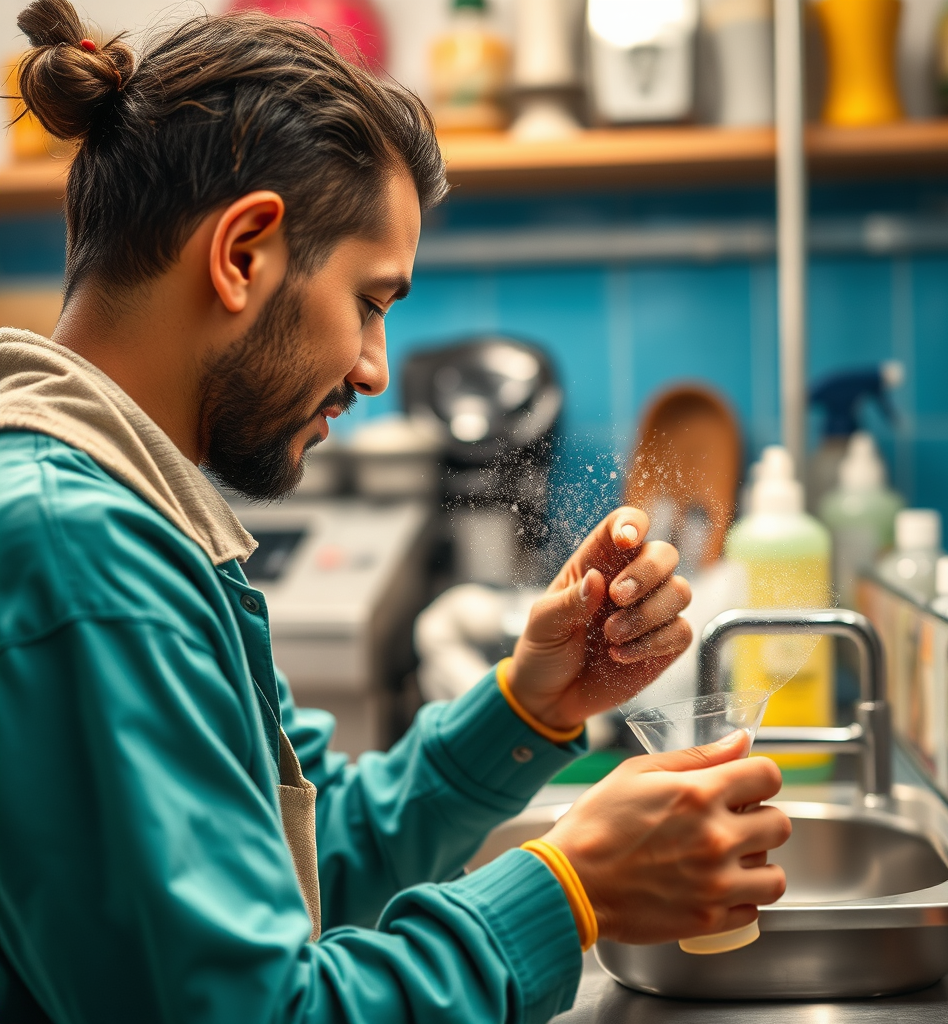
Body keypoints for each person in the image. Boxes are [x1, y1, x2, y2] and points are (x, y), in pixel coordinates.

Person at [0, 2, 791, 1021]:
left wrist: (528, 703)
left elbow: (295, 860)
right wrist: (573, 890)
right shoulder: (81, 553)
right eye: (371, 302)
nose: (374, 369)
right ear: (243, 252)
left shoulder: (131, 517)